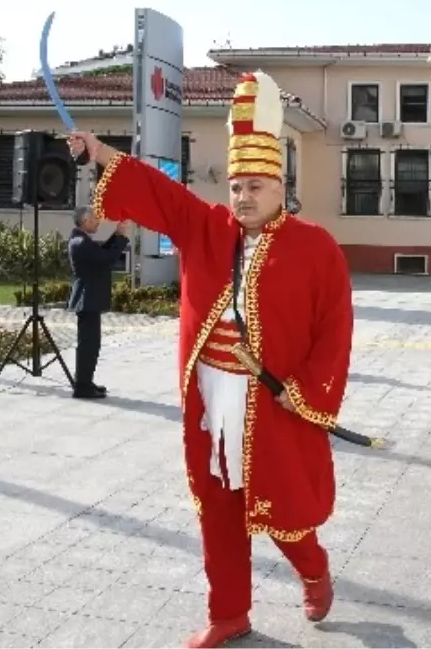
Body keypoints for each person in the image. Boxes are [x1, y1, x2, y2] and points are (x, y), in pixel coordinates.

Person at [68, 70, 353, 649]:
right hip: (211, 397)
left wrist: (301, 389)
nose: (243, 196)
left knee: (282, 504)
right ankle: (229, 613)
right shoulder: (206, 227)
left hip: (274, 400)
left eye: (255, 185)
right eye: (236, 186)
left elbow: (335, 330)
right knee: (218, 505)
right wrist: (101, 154)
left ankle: (314, 569)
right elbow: (158, 192)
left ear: (280, 186)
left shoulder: (316, 246)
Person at [67, 208, 129, 399]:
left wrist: (117, 235)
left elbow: (100, 254)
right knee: (88, 345)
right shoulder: (80, 242)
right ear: (85, 220)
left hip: (90, 299)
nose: (98, 222)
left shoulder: (82, 240)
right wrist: (120, 238)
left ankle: (86, 381)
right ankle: (82, 386)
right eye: (94, 218)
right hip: (87, 299)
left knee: (92, 345)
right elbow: (107, 259)